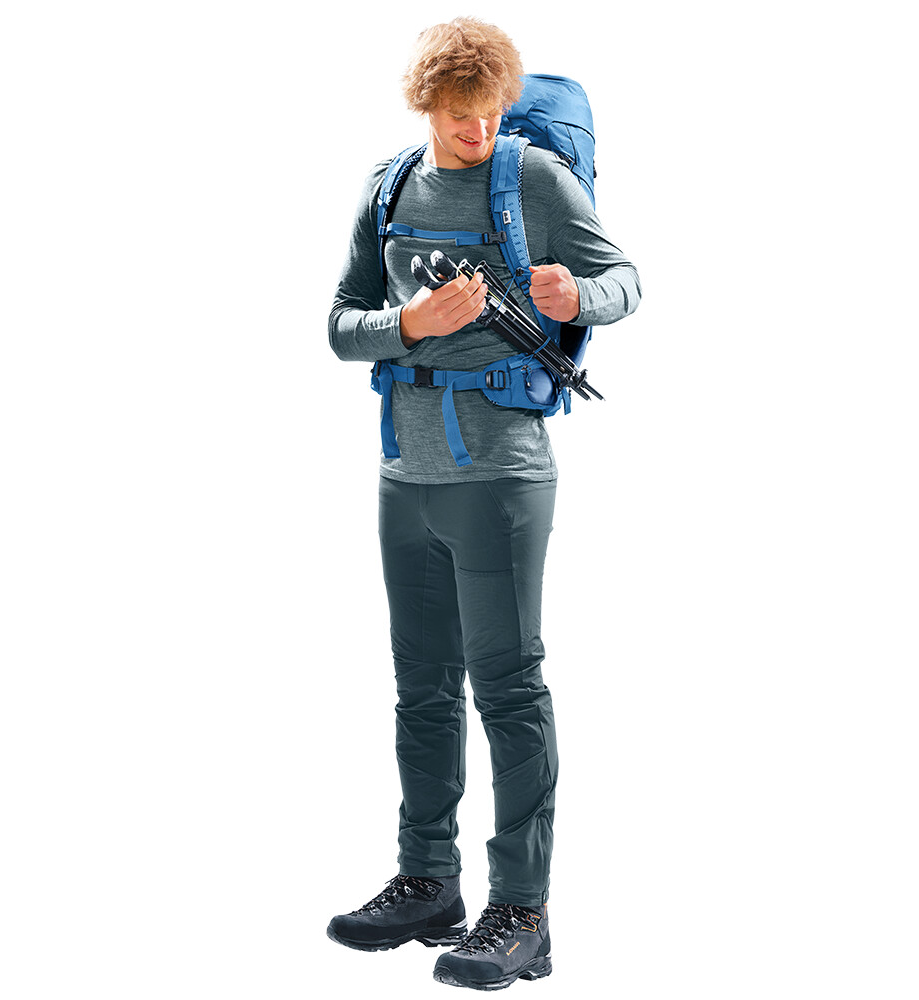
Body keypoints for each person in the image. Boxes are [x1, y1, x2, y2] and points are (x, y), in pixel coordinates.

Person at [326, 17, 641, 990]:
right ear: (427, 105)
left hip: (502, 476)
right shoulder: (388, 188)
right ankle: (428, 882)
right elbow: (341, 325)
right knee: (421, 688)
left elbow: (626, 280)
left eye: (495, 111)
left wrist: (575, 297)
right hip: (404, 476)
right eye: (463, 115)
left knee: (507, 687)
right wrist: (409, 323)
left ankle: (522, 913)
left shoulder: (534, 181)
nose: (482, 130)